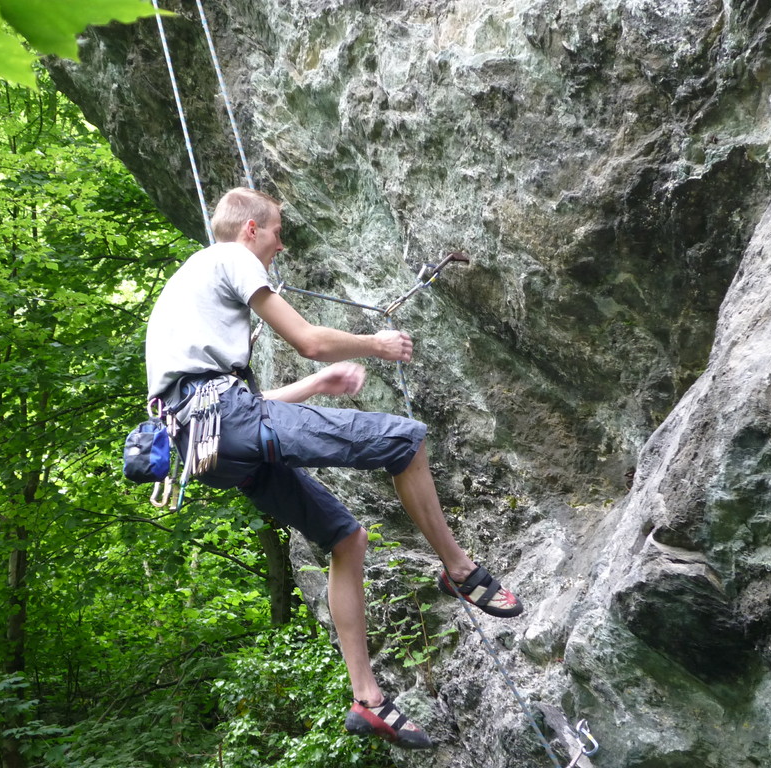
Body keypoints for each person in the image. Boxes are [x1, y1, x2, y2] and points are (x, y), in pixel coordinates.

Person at [145, 187, 523, 749]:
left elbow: (242, 411)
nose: (279, 246)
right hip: (225, 422)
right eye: (276, 232)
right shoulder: (231, 257)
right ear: (250, 230)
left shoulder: (190, 297)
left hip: (206, 447)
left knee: (347, 539)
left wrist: (321, 385)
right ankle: (461, 571)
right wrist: (377, 344)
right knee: (406, 440)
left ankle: (367, 697)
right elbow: (308, 342)